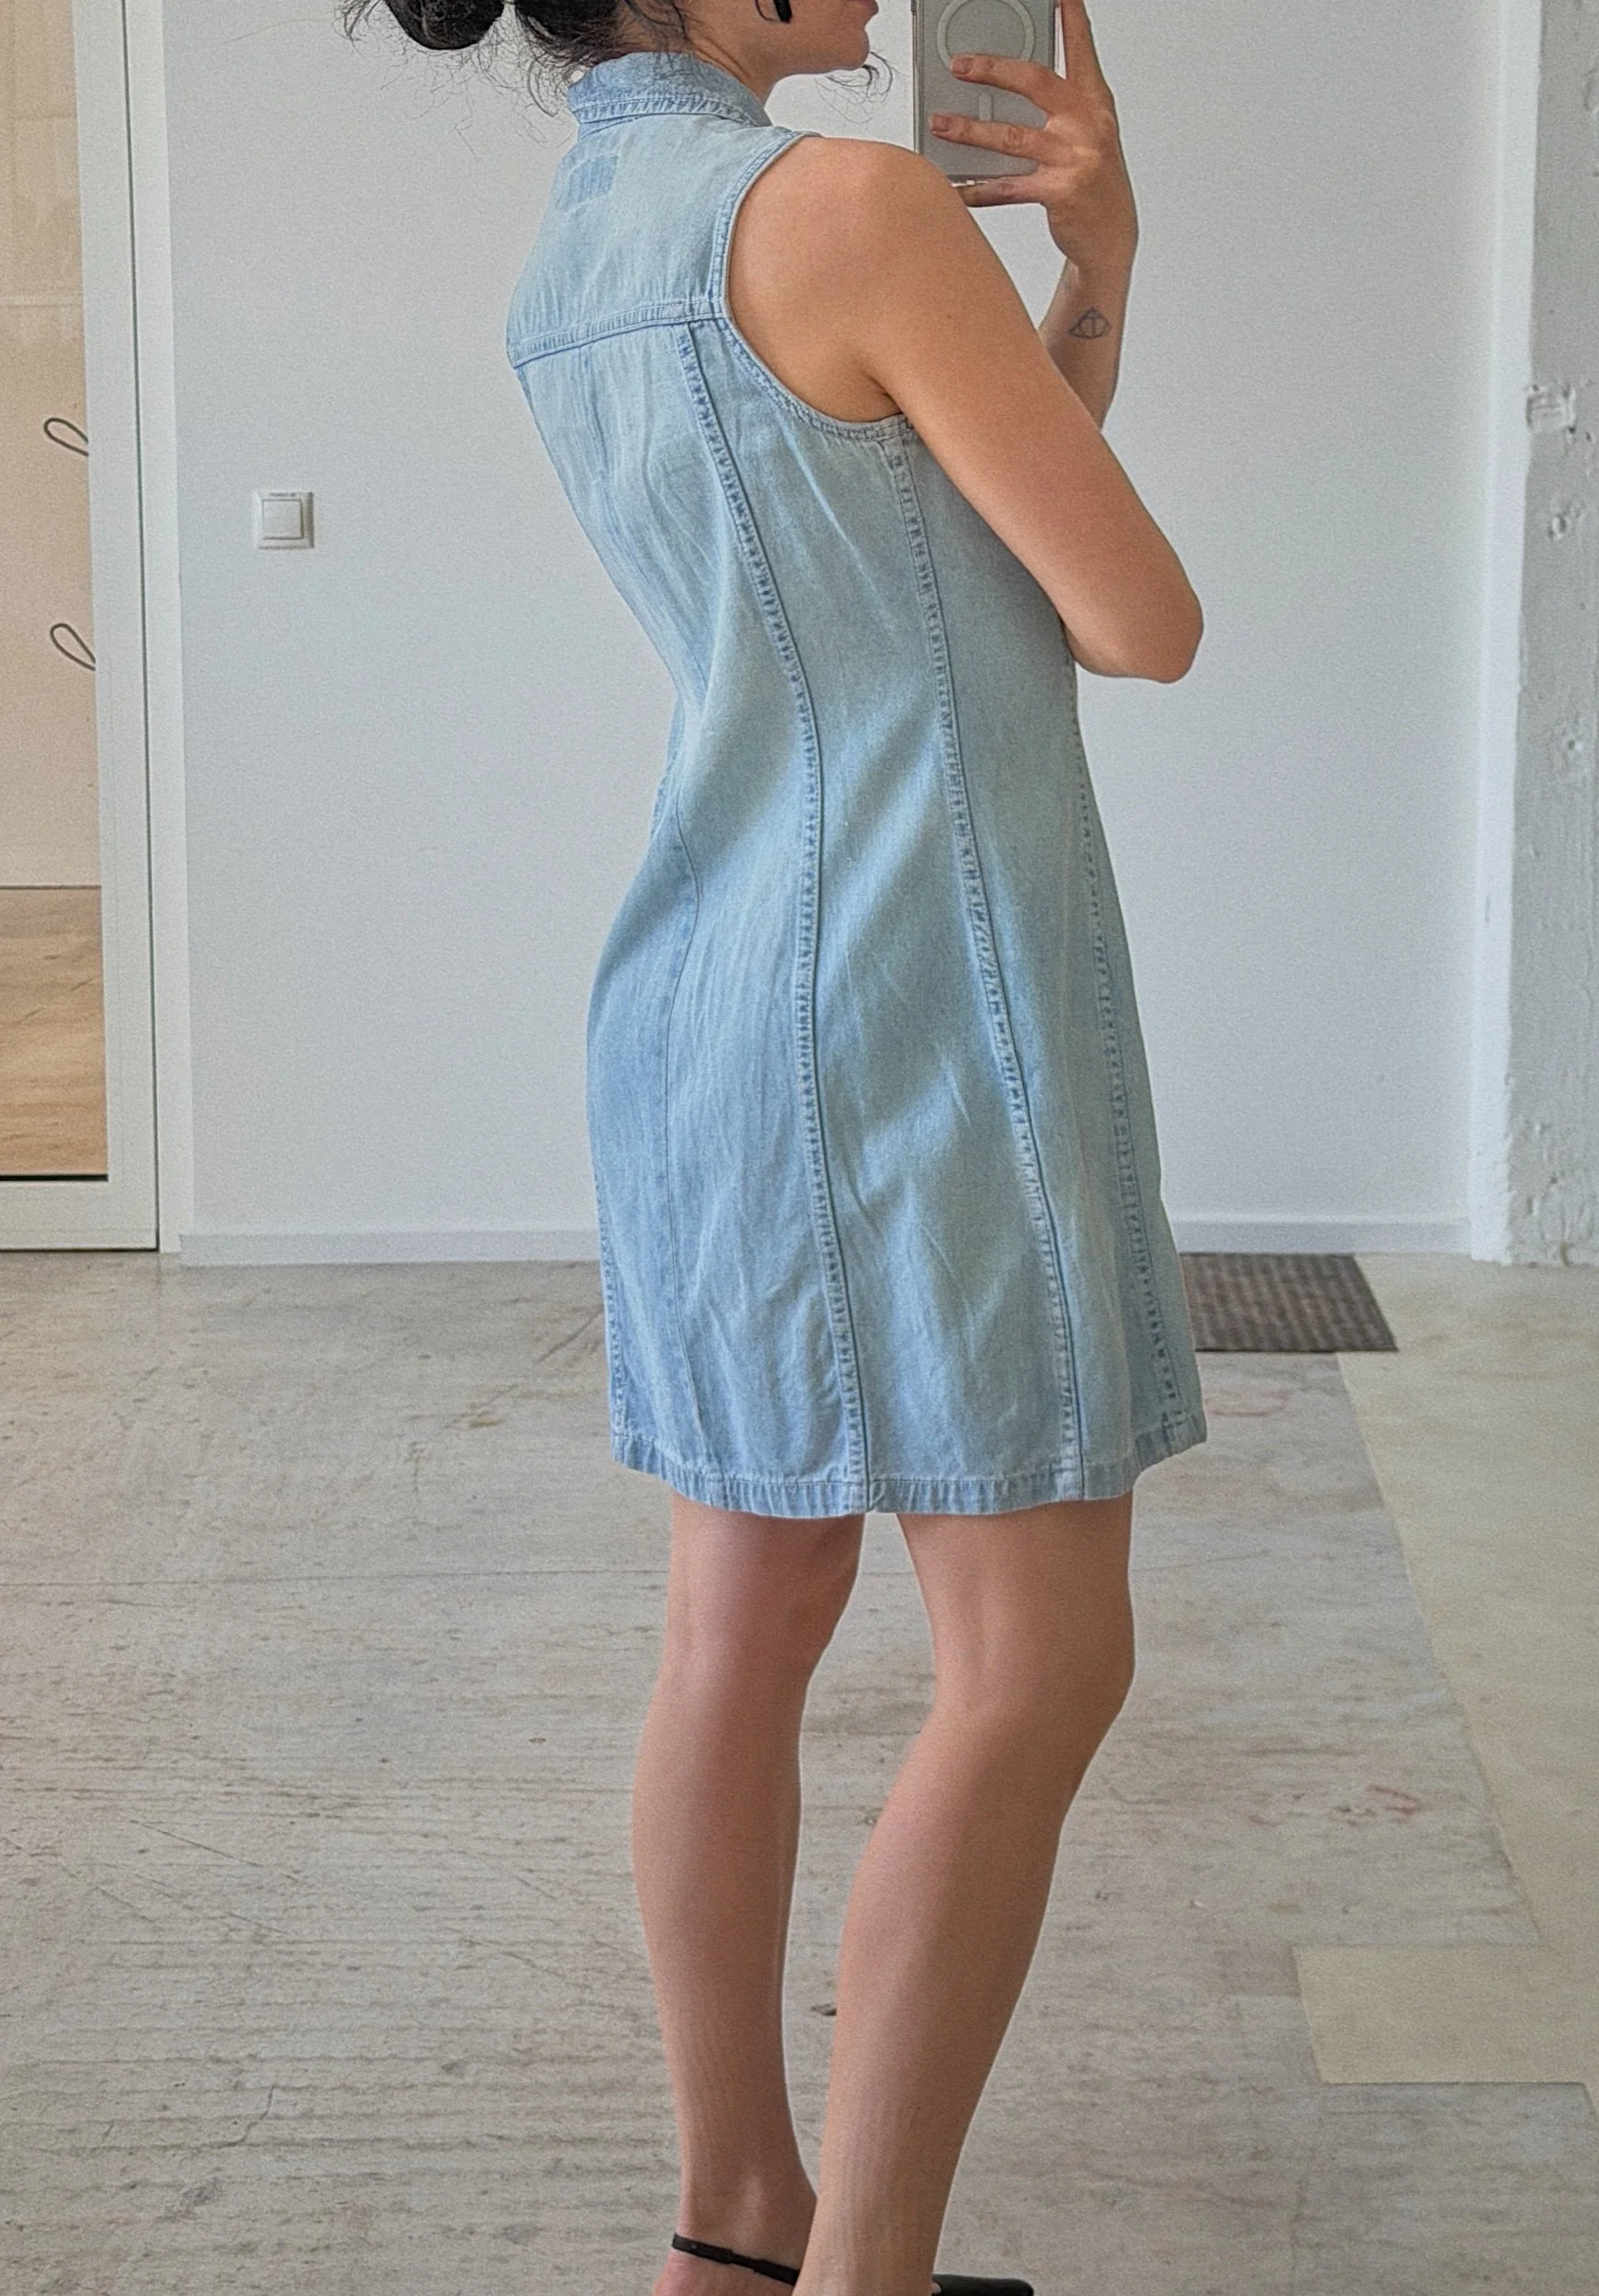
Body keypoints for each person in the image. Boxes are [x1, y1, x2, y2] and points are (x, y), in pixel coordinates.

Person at [349, 2, 1207, 2289]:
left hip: (711, 995)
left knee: (739, 1621)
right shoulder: (856, 206)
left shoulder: (582, 244)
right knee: (1035, 1660)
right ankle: (868, 2275)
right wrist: (1104, 261)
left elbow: (949, 565)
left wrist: (1083, 281)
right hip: (923, 1004)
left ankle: (737, 2223)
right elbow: (1133, 617)